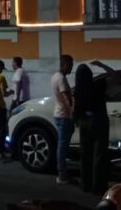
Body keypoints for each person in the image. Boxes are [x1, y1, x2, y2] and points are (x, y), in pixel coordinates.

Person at [52, 54, 74, 184]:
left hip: (59, 114)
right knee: (62, 146)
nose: (71, 67)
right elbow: (66, 98)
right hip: (64, 115)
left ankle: (62, 173)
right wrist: (72, 111)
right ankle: (62, 175)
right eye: (70, 65)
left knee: (62, 145)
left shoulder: (55, 76)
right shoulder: (61, 79)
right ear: (64, 65)